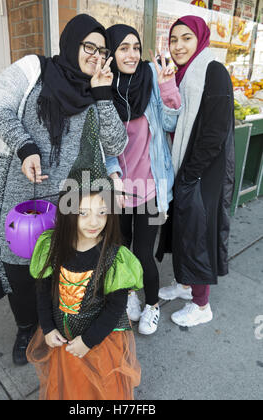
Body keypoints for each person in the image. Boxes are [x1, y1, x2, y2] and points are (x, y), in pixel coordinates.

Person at [0, 14, 127, 366]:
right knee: (18, 265)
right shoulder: (33, 68)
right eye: (88, 46)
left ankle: (52, 323)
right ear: (71, 42)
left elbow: (116, 143)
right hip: (21, 192)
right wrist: (25, 146)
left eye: (102, 50)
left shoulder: (96, 90)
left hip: (69, 200)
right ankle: (25, 327)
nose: (95, 55)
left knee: (55, 266)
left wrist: (103, 94)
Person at [26, 107, 143, 400]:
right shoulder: (51, 247)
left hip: (98, 343)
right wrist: (48, 325)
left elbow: (116, 307)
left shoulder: (115, 258)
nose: (94, 222)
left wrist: (88, 341)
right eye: (84, 213)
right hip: (64, 339)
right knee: (72, 388)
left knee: (101, 391)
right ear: (68, 213)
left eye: (102, 212)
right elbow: (43, 289)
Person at [158, 16, 235, 327]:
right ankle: (186, 285)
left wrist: (190, 174)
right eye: (174, 40)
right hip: (186, 167)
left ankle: (202, 305)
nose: (178, 46)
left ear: (200, 39)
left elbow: (215, 131)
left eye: (186, 38)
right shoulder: (182, 74)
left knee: (197, 235)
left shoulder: (213, 72)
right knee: (182, 230)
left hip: (203, 171)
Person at [105, 24, 181, 335]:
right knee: (121, 249)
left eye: (136, 47)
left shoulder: (150, 79)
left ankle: (152, 306)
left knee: (143, 254)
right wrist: (114, 177)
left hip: (149, 186)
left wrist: (167, 86)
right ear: (111, 52)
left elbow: (170, 121)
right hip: (120, 188)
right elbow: (103, 142)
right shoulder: (103, 88)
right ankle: (130, 296)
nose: (132, 54)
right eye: (123, 48)